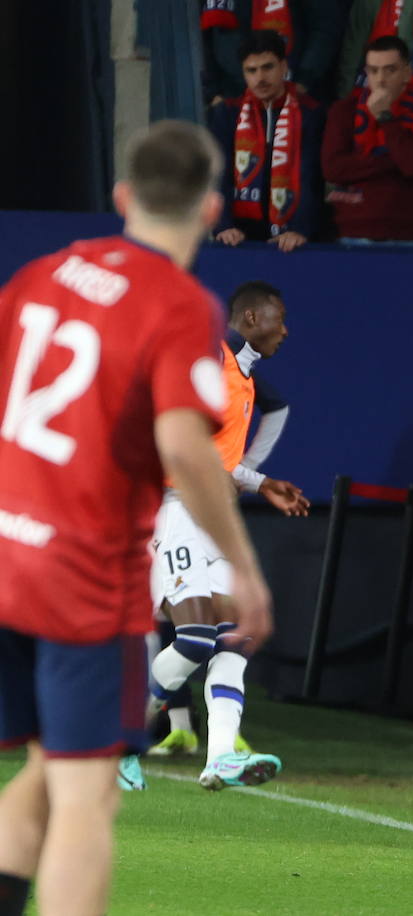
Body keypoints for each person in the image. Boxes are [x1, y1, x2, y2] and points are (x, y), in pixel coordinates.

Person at [0, 120, 273, 916]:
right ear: (210, 205)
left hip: (8, 553)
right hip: (83, 578)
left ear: (122, 196)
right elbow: (184, 446)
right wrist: (247, 571)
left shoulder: (44, 273)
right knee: (90, 799)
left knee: (51, 772)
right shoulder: (178, 303)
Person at [144, 281, 307, 789]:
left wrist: (261, 483)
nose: (286, 328)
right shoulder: (209, 362)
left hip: (211, 518)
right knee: (193, 640)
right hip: (174, 511)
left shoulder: (243, 375)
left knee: (235, 638)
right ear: (253, 319)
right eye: (279, 317)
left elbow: (218, 459)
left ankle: (219, 759)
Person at [321, 35, 413, 243]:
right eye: (373, 71)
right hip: (351, 229)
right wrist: (393, 163)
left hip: (407, 230)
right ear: (366, 73)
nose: (380, 79)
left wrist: (385, 118)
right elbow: (333, 169)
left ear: (407, 73)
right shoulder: (343, 111)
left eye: (390, 70)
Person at [209, 30, 325, 252]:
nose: (260, 78)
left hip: (293, 239)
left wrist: (301, 229)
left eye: (268, 67)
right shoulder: (227, 113)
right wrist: (223, 226)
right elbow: (218, 173)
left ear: (284, 67)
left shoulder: (310, 112)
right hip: (239, 237)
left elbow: (310, 176)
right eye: (251, 70)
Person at [201, 0, 343, 103]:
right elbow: (207, 36)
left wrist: (304, 80)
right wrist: (214, 92)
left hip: (297, 93)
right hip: (234, 96)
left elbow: (325, 28)